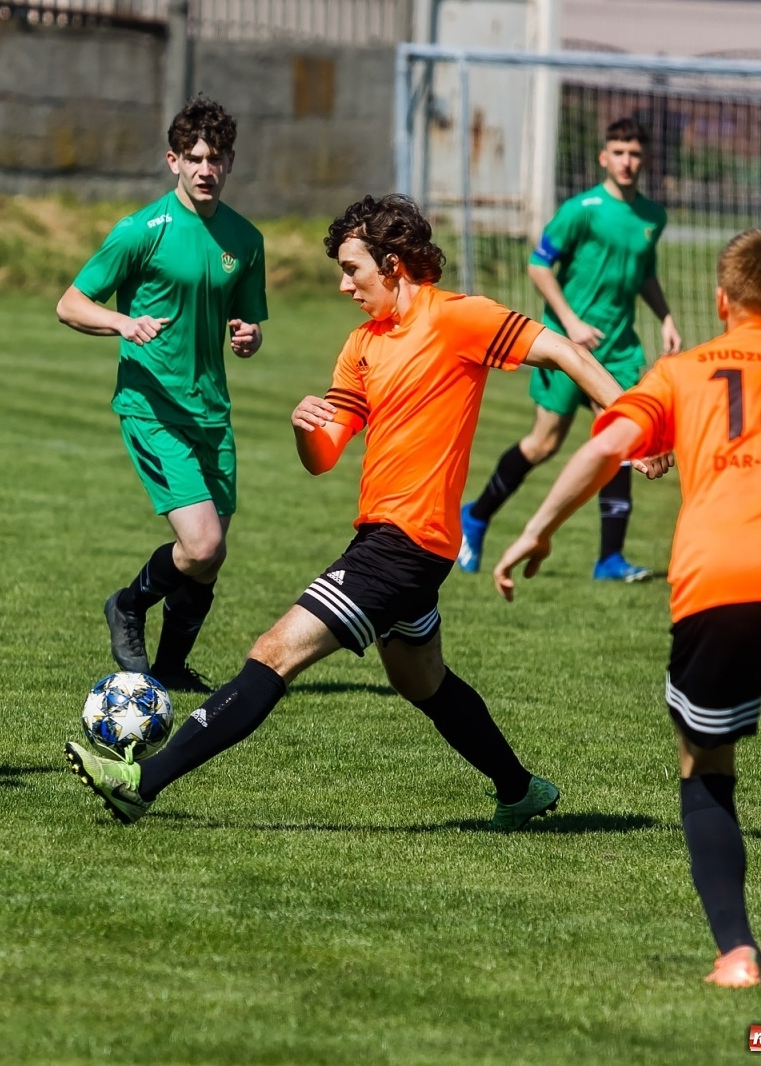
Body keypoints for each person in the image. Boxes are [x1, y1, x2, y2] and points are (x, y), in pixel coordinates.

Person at [65, 194, 648, 827]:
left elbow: (566, 352)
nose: (345, 285)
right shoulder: (361, 345)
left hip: (405, 544)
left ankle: (140, 781)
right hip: (396, 539)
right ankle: (520, 789)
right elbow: (322, 457)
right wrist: (303, 426)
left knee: (273, 653)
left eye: (353, 270)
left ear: (393, 264)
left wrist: (632, 429)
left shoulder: (458, 318)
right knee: (422, 681)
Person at [493, 227, 761, 988]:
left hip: (717, 587)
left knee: (706, 767)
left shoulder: (682, 372)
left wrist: (535, 530)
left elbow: (602, 448)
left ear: (722, 301)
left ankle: (739, 956)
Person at [56, 96, 267, 693]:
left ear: (229, 164)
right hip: (152, 407)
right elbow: (70, 304)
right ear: (173, 160)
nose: (206, 169)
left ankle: (171, 668)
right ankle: (127, 605)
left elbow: (247, 328)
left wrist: (249, 337)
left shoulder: (245, 240)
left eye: (217, 158)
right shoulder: (140, 231)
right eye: (195, 158)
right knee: (199, 545)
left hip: (212, 413)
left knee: (211, 554)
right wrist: (123, 324)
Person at [460, 117, 681, 582]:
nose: (627, 160)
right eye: (618, 151)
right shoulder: (582, 209)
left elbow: (642, 274)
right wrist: (573, 322)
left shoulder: (652, 217)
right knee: (544, 443)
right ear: (604, 157)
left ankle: (610, 559)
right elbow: (539, 266)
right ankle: (476, 517)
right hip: (565, 347)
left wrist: (665, 316)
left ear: (645, 159)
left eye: (635, 153)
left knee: (625, 438)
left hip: (619, 350)